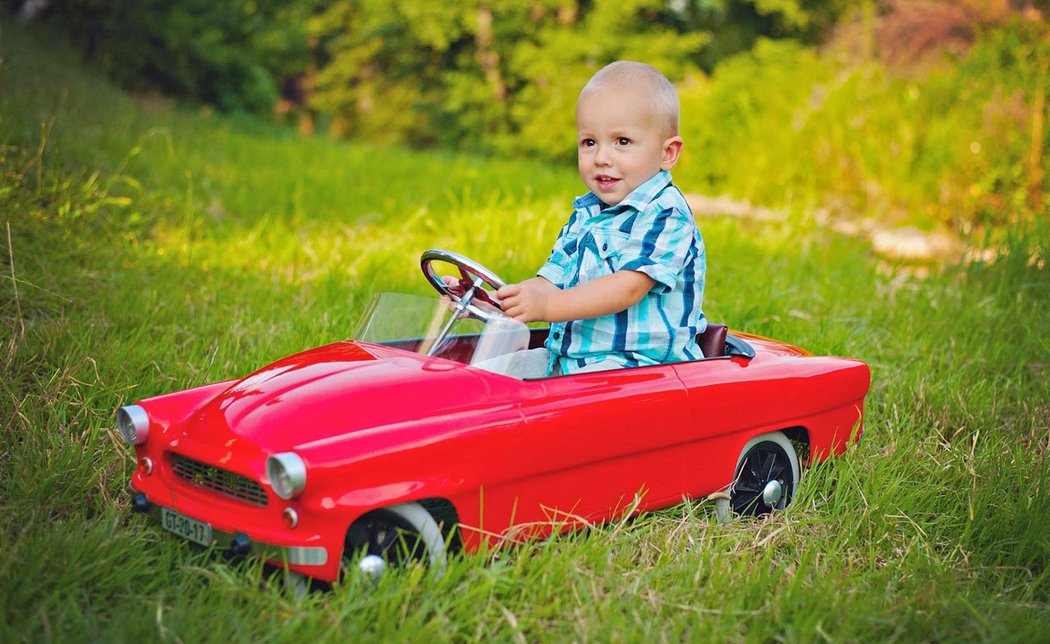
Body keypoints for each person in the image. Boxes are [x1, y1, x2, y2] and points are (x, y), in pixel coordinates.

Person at [481, 60, 707, 378]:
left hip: (641, 368)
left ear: (667, 153)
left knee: (574, 405)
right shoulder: (586, 215)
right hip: (573, 361)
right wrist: (499, 301)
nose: (601, 157)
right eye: (589, 142)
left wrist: (547, 308)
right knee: (487, 377)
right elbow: (548, 283)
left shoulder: (666, 216)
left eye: (622, 142)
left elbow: (627, 287)